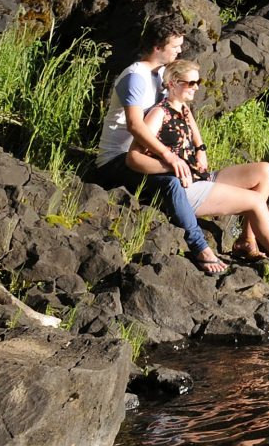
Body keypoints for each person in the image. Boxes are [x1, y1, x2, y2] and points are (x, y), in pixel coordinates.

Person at [129, 60, 269, 279]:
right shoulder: (158, 114)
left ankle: (247, 240)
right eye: (191, 83)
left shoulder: (183, 109)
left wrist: (201, 150)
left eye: (197, 82)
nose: (196, 87)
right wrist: (171, 163)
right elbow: (133, 158)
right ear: (172, 84)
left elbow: (195, 133)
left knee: (265, 170)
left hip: (202, 176)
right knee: (255, 201)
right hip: (186, 188)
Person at [91, 16, 224, 274]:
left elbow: (183, 111)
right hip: (117, 160)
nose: (179, 51)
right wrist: (168, 156)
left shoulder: (161, 76)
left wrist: (199, 148)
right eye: (175, 46)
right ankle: (199, 246)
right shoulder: (136, 77)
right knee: (172, 181)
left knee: (192, 173)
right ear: (158, 47)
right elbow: (134, 125)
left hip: (144, 156)